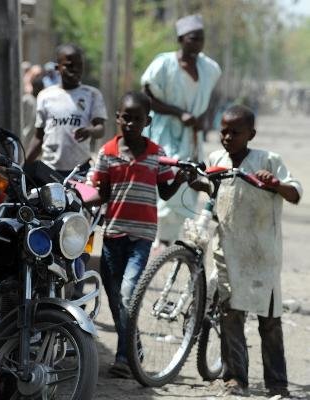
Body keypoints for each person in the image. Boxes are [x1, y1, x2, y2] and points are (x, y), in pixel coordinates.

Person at [90, 92, 191, 378]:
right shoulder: (107, 153)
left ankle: (123, 358)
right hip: (112, 233)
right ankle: (133, 346)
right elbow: (101, 192)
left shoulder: (156, 154)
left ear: (148, 121)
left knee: (127, 293)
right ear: (118, 118)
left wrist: (181, 179)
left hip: (142, 235)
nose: (131, 123)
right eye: (126, 118)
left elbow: (165, 190)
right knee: (114, 296)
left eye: (137, 119)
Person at [205, 105, 302, 397]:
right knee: (230, 314)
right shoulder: (216, 159)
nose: (227, 137)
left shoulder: (269, 160)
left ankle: (277, 382)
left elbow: (295, 192)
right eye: (223, 130)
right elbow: (212, 192)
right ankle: (235, 378)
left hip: (262, 254)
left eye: (235, 132)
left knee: (269, 321)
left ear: (251, 134)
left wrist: (277, 185)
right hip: (228, 251)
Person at [141, 14, 221, 244]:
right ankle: (158, 236)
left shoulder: (208, 68)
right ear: (181, 39)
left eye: (201, 39)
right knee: (168, 174)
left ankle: (173, 238)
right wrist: (177, 112)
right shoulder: (164, 64)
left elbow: (207, 99)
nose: (198, 44)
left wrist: (201, 120)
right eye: (193, 38)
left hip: (192, 136)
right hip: (164, 131)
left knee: (190, 177)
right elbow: (147, 97)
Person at [26, 43, 107, 178]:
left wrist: (90, 131)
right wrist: (24, 165)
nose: (75, 70)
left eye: (79, 65)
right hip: (49, 170)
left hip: (80, 170)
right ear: (58, 67)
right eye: (69, 65)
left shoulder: (92, 95)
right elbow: (39, 137)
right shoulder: (45, 96)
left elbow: (100, 129)